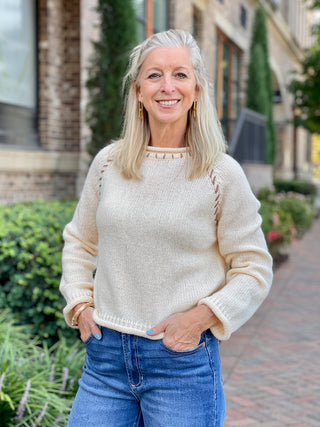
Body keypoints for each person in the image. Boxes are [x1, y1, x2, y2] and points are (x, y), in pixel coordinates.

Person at [60, 29, 273, 427]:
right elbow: (79, 240)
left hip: (181, 360)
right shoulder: (108, 163)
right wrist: (78, 301)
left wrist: (200, 318)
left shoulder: (220, 174)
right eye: (154, 75)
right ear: (138, 90)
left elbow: (253, 267)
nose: (167, 86)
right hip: (105, 359)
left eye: (180, 74)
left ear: (196, 89)